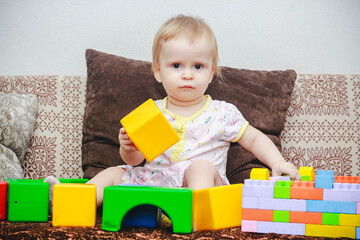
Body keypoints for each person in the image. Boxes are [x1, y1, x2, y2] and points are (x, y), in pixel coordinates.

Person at [46, 14, 300, 208]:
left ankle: (195, 212)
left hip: (200, 187)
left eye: (198, 66)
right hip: (155, 183)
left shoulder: (222, 113)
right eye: (176, 65)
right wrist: (129, 148)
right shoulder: (151, 113)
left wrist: (277, 162)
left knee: (200, 167)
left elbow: (254, 138)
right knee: (114, 172)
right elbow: (134, 162)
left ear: (211, 72)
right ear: (158, 71)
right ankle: (71, 199)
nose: (187, 74)